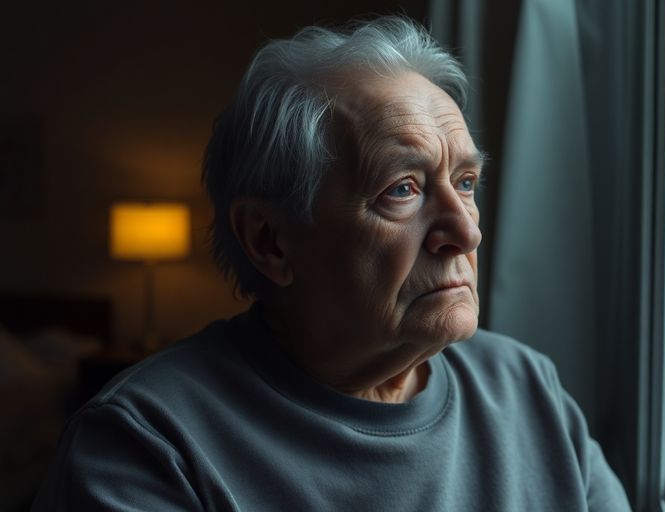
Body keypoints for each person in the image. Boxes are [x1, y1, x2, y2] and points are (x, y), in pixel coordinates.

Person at [32, 16, 630, 511]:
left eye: (465, 181)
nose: (465, 230)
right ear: (271, 241)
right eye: (403, 189)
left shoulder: (527, 389)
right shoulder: (147, 444)